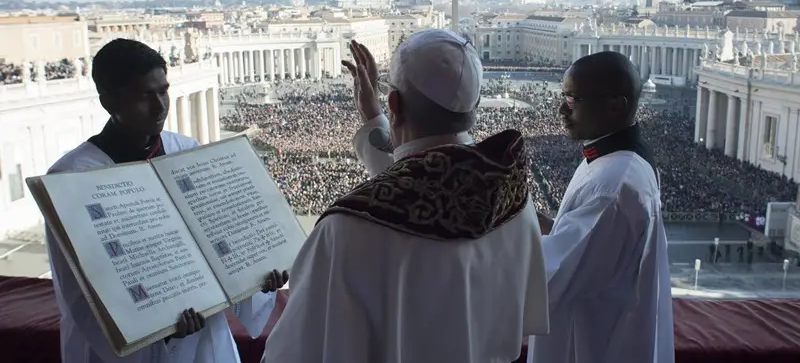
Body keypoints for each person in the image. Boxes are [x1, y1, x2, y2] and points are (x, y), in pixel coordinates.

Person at [262, 30, 549, 363]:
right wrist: (374, 119)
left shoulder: (346, 231)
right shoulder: (514, 200)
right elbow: (429, 189)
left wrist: (377, 118)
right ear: (475, 105)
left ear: (394, 103)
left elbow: (295, 351)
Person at [45, 39, 289, 363]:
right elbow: (80, 294)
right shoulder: (72, 179)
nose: (160, 106)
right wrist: (158, 329)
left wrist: (259, 279)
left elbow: (220, 237)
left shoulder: (186, 150)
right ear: (109, 101)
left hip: (206, 339)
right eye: (145, 96)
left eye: (164, 91)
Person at [529, 51, 674, 363]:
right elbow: (586, 243)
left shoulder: (613, 185)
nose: (561, 109)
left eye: (572, 99)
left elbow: (546, 282)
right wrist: (528, 216)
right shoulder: (614, 160)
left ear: (616, 105)